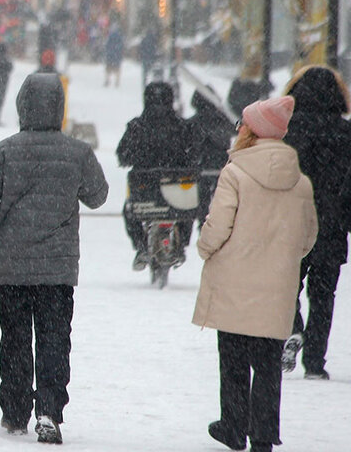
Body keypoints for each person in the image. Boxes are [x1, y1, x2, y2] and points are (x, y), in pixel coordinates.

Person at [0, 73, 108, 444]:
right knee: (55, 340)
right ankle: (50, 409)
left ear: (22, 105)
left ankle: (14, 410)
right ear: (59, 108)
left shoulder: (3, 152)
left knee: (16, 340)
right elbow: (98, 195)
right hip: (57, 270)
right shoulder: (77, 152)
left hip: (13, 268)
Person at [192, 96, 317, 452]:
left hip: (234, 282)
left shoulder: (236, 172)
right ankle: (263, 433)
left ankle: (233, 426)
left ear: (253, 130)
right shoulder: (301, 181)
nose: (239, 129)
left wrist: (205, 249)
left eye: (243, 124)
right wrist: (280, 260)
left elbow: (218, 226)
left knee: (232, 359)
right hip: (276, 287)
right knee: (267, 365)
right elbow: (308, 237)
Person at [279, 65, 351, 380]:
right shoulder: (346, 134)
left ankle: (292, 329)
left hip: (292, 222)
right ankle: (315, 362)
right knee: (323, 296)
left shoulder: (286, 131)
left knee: (286, 286)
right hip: (331, 223)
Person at [117, 81, 192, 270]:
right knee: (189, 208)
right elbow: (193, 155)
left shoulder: (136, 127)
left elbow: (123, 155)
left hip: (145, 193)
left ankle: (142, 247)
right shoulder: (182, 127)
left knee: (129, 210)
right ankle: (181, 244)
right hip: (177, 193)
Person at [184, 87, 234, 229]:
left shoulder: (192, 123)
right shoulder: (224, 121)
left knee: (202, 198)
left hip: (200, 168)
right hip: (221, 166)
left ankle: (203, 224)